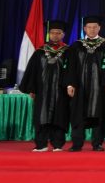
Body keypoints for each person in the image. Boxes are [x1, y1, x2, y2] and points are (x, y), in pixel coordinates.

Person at [20, 19, 72, 152]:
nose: (55, 35)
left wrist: (70, 86)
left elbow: (72, 71)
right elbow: (33, 71)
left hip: (60, 91)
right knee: (41, 117)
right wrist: (32, 89)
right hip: (42, 91)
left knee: (59, 116)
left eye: (58, 33)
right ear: (49, 34)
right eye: (53, 33)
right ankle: (41, 144)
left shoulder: (68, 52)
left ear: (63, 35)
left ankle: (58, 144)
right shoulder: (40, 51)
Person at [66, 15, 105, 151]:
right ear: (85, 28)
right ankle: (77, 143)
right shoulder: (76, 45)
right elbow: (71, 66)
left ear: (99, 28)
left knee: (99, 113)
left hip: (99, 86)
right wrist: (70, 84)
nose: (92, 30)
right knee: (78, 113)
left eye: (94, 27)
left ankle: (97, 143)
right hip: (80, 87)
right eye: (89, 27)